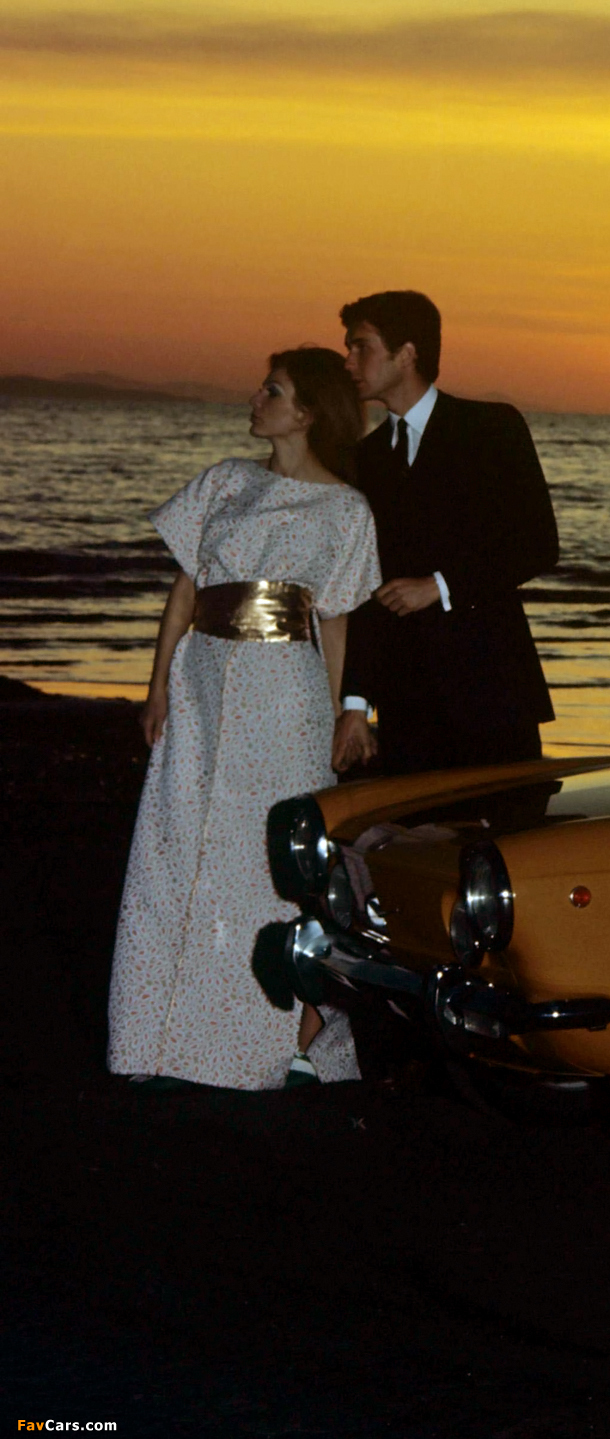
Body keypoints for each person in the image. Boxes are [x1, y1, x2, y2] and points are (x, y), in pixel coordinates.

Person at [107, 347, 381, 1090]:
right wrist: (157, 686)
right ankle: (160, 1040)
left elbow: (337, 622)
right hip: (200, 684)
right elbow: (185, 590)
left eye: (273, 391)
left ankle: (269, 1045)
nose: (256, 399)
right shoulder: (225, 481)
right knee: (177, 848)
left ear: (307, 412)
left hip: (285, 696)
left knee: (263, 865)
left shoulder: (347, 510)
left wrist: (345, 716)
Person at [330, 291, 558, 775]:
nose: (348, 360)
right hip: (405, 704)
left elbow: (537, 543)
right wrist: (355, 703)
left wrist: (439, 585)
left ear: (406, 354)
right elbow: (366, 586)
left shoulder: (492, 428)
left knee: (506, 824)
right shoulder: (365, 459)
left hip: (493, 690)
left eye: (361, 346)